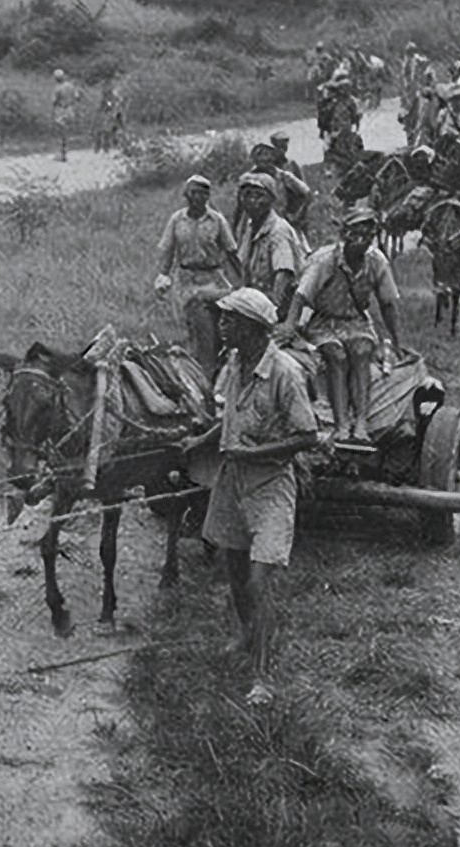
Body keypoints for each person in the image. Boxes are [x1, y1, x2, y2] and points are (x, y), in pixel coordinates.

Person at [182, 288, 318, 707]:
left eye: (229, 320)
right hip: (232, 480)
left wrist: (252, 454)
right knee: (235, 569)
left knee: (259, 581)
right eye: (221, 318)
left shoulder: (284, 372)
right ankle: (247, 634)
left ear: (253, 328)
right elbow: (231, 416)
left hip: (270, 485)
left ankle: (263, 676)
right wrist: (200, 441)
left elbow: (307, 435)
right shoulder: (235, 363)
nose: (221, 326)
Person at [278, 205, 403, 445]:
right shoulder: (325, 260)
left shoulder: (376, 261)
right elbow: (301, 295)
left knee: (362, 351)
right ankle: (341, 423)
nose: (362, 240)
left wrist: (396, 341)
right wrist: (290, 325)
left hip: (356, 321)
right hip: (325, 322)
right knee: (336, 355)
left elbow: (388, 303)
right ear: (346, 235)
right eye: (357, 234)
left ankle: (361, 423)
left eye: (368, 235)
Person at [154, 175, 242, 376]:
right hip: (186, 279)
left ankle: (214, 369)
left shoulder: (217, 220)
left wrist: (243, 282)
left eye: (203, 194)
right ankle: (198, 369)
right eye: (193, 193)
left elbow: (231, 252)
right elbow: (168, 250)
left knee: (216, 327)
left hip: (212, 279)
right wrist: (163, 276)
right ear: (186, 195)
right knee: (194, 327)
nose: (197, 198)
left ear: (207, 197)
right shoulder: (177, 220)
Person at [234, 172, 303, 319]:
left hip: (281, 305)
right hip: (256, 297)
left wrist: (271, 313)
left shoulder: (278, 230)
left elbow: (283, 277)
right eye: (247, 195)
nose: (252, 201)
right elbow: (242, 268)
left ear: (271, 199)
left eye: (259, 195)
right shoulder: (250, 228)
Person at [51, 68, 81, 162]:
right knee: (67, 132)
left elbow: (54, 101)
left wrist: (53, 110)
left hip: (61, 110)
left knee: (60, 132)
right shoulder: (71, 86)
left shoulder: (57, 88)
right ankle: (66, 151)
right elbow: (77, 97)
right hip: (70, 110)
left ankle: (61, 154)